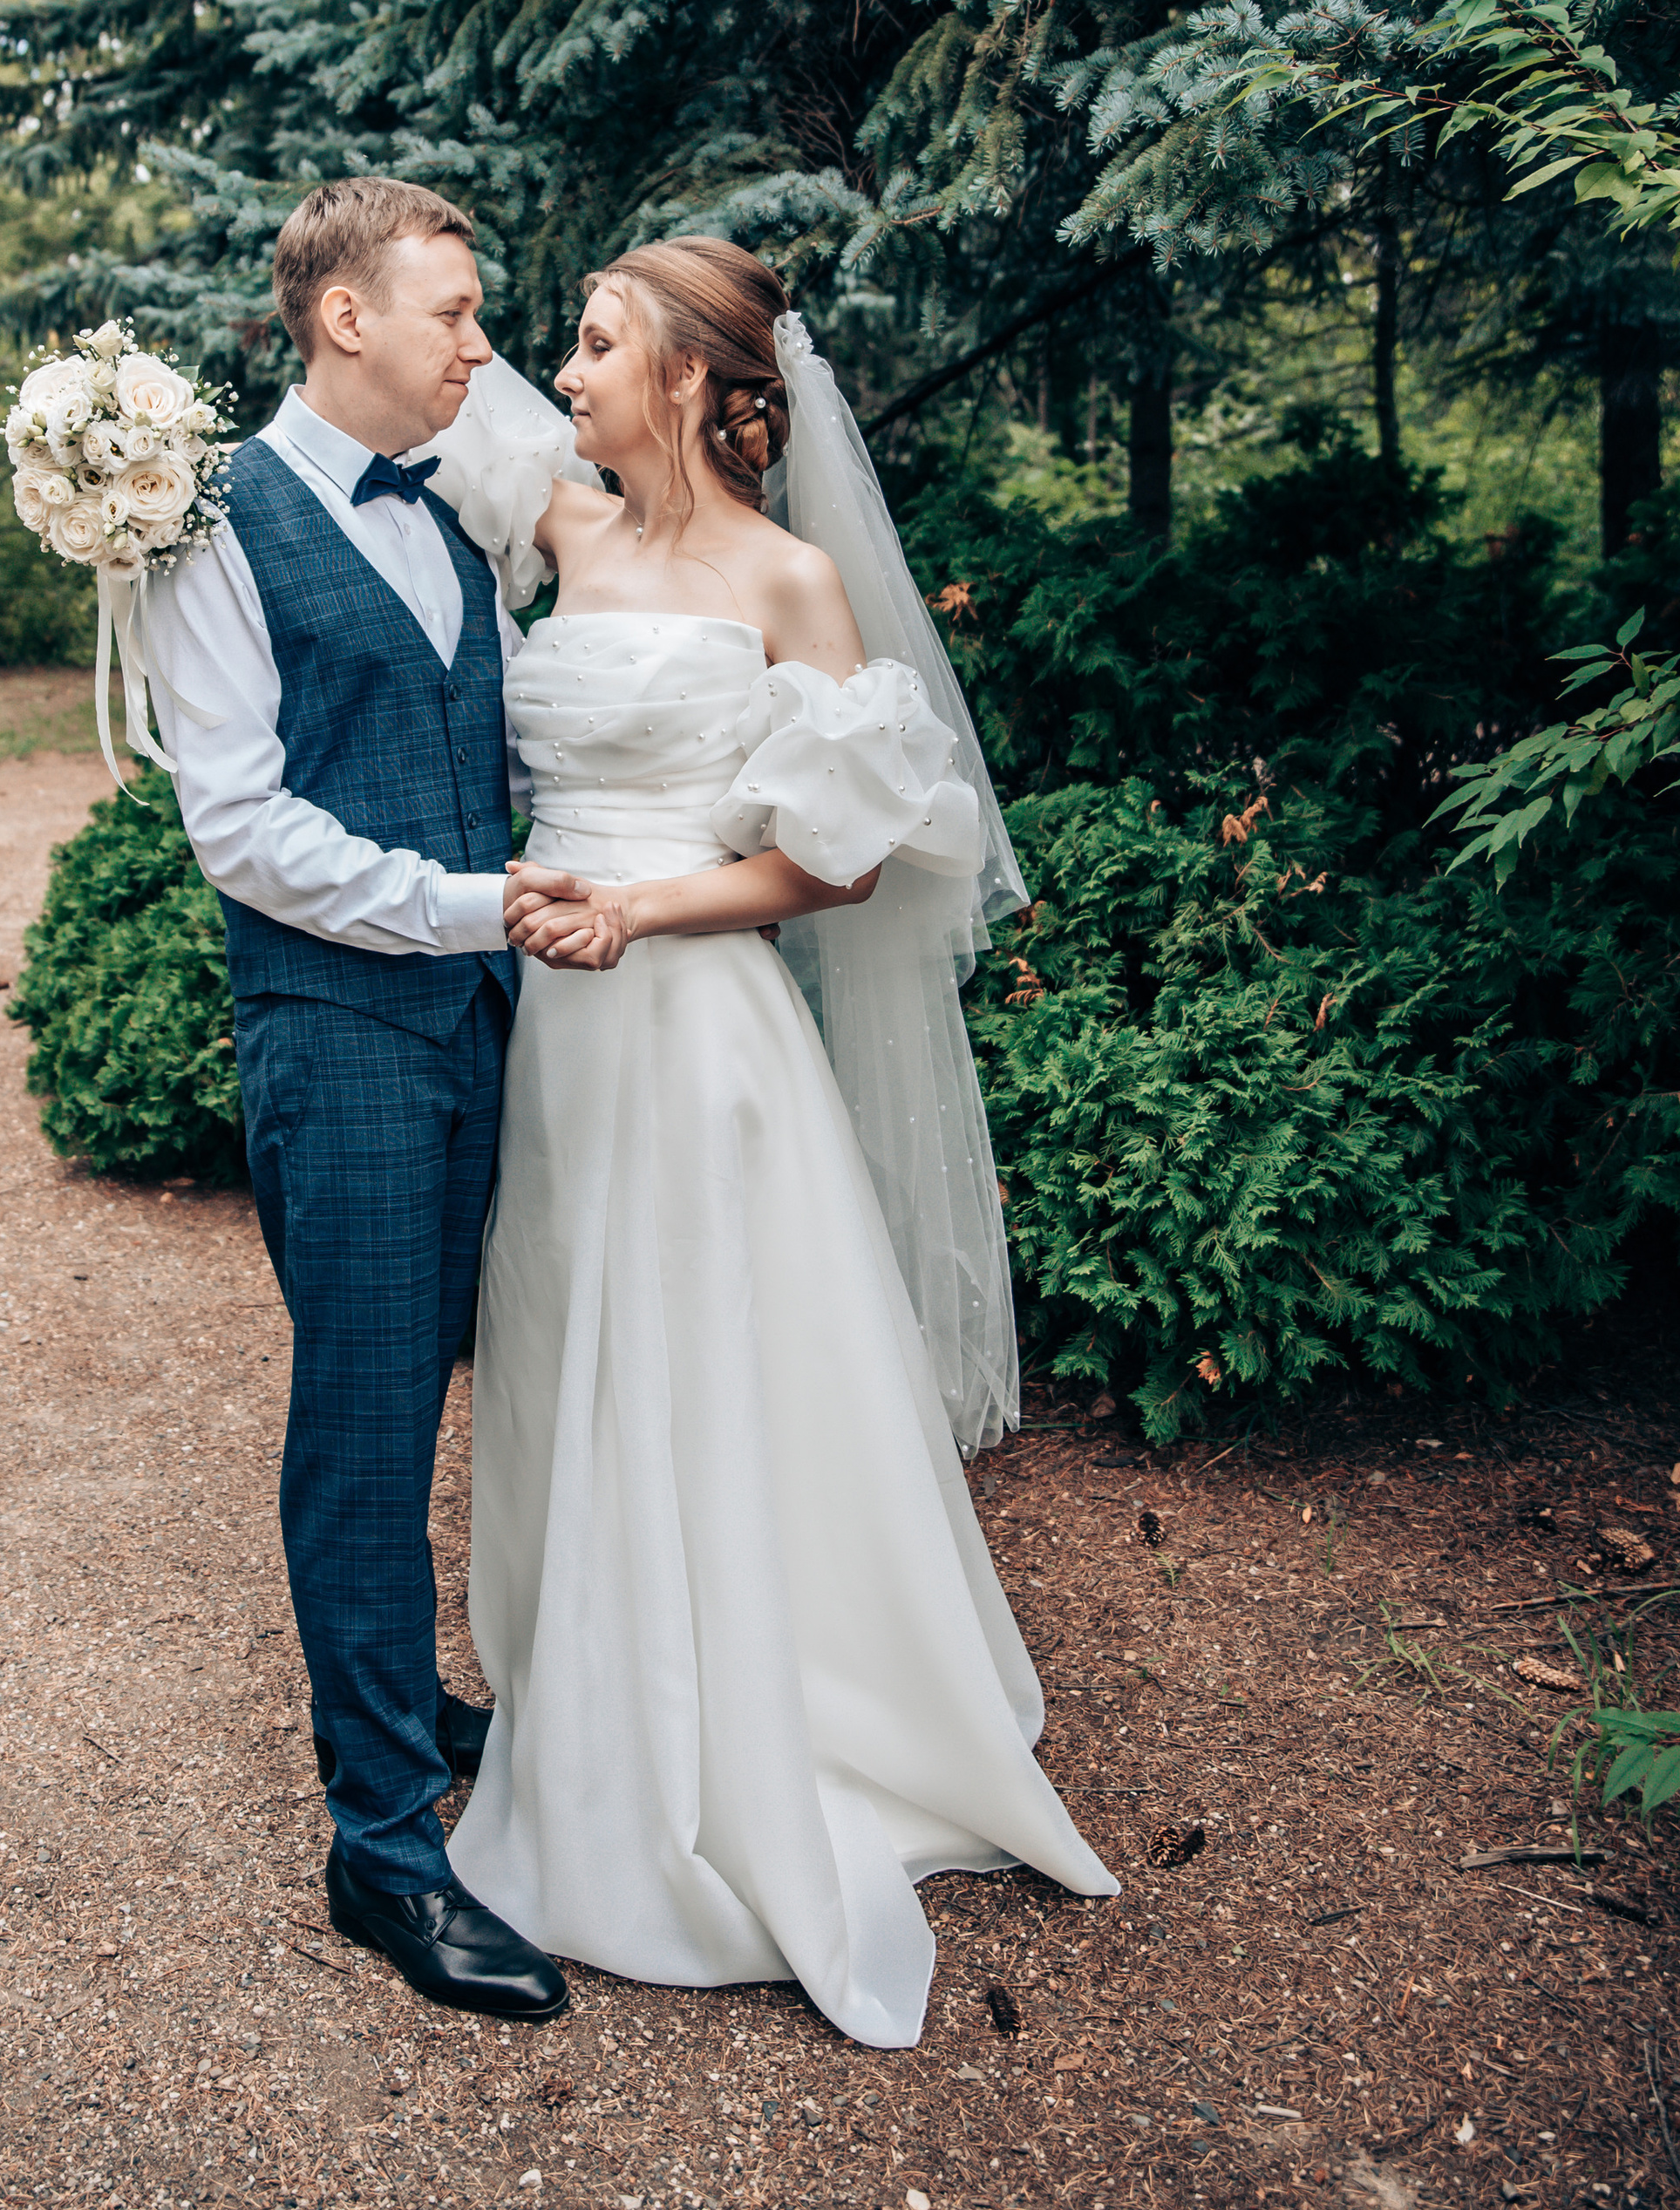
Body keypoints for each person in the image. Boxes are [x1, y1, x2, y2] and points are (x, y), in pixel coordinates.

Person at [423, 235, 1118, 2050]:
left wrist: (635, 915)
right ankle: (578, 1687)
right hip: (552, 1046)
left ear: (684, 374)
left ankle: (744, 1713)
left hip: (692, 1032)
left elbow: (844, 861)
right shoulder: (556, 530)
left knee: (704, 1367)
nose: (557, 373)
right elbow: (389, 408)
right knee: (568, 1345)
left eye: (590, 344)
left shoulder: (794, 582)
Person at [142, 175, 587, 2022]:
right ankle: (383, 1850)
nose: (481, 347)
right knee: (361, 1420)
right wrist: (468, 908)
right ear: (345, 320)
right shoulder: (208, 528)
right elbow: (239, 829)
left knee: (448, 1374)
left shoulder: (452, 504)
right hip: (338, 1032)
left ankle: (403, 1700)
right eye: (454, 313)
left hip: (485, 1030)